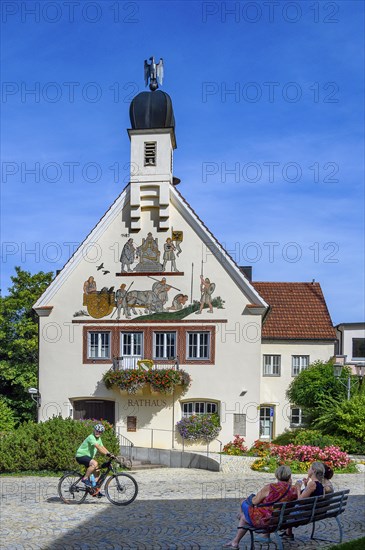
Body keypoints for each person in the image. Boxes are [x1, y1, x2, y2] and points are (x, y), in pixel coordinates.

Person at [223, 465, 298, 549]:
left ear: (277, 475)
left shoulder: (270, 487)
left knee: (243, 503)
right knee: (249, 514)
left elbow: (254, 501)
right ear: (289, 476)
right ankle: (238, 538)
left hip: (266, 520)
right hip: (281, 520)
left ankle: (236, 537)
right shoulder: (293, 489)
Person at [281, 461, 325, 539]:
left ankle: (283, 531)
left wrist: (298, 487)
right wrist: (305, 486)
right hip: (312, 511)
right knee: (289, 506)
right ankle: (288, 533)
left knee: (284, 510)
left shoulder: (312, 484)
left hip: (305, 513)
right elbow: (310, 495)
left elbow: (300, 499)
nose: (308, 470)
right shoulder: (319, 484)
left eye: (309, 468)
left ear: (314, 470)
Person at [75, 423, 115, 494]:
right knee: (95, 463)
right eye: (97, 431)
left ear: (102, 433)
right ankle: (85, 479)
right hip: (80, 455)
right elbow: (98, 447)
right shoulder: (91, 437)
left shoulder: (99, 439)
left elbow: (102, 447)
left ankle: (94, 490)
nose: (98, 432)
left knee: (97, 471)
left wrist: (110, 453)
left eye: (100, 432)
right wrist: (107, 454)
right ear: (94, 430)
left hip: (87, 457)